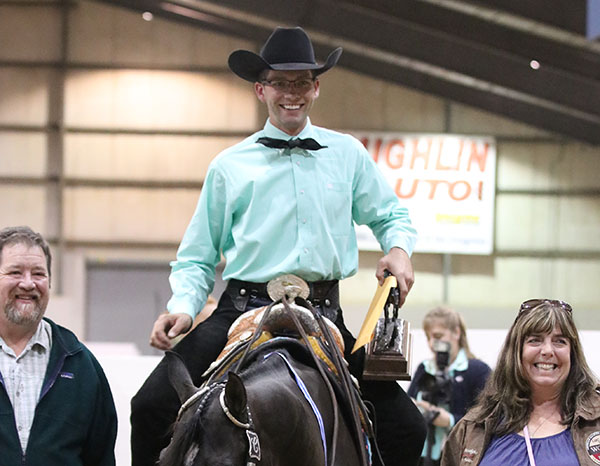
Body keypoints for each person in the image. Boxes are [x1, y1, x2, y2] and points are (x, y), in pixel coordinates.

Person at [130, 26, 426, 466]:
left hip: (322, 314)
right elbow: (197, 255)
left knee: (407, 427)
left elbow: (390, 216)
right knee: (150, 407)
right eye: (280, 83)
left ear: (316, 87)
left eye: (302, 81)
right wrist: (184, 307)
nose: (292, 93)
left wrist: (398, 249)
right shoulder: (229, 166)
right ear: (260, 89)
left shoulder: (347, 155)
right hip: (241, 310)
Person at [0, 226, 118, 466]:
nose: (28, 283)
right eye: (15, 272)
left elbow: (101, 456)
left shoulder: (82, 366)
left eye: (38, 274)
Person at [441, 299, 600, 466]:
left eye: (559, 341)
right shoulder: (475, 426)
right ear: (517, 352)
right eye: (535, 340)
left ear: (572, 354)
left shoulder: (596, 420)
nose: (547, 351)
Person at [408, 307, 491, 466]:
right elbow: (407, 408)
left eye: (438, 336)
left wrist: (450, 420)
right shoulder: (424, 368)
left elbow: (489, 419)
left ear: (456, 333)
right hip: (422, 455)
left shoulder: (478, 371)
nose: (433, 343)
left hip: (459, 456)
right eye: (428, 337)